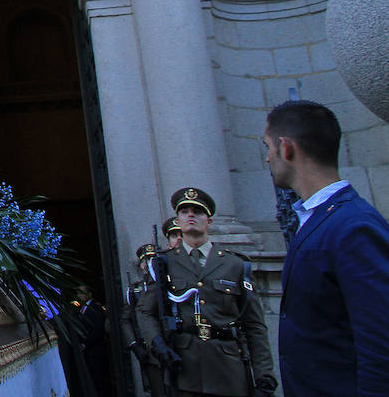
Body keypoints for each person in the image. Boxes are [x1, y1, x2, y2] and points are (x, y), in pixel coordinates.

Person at [264, 100, 389, 394]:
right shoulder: (319, 218)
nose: (267, 159)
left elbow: (381, 339)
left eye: (267, 147)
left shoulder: (353, 226)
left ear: (286, 148)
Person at [138, 187, 277, 396]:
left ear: (209, 221)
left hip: (228, 369)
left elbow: (254, 325)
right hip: (184, 370)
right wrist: (157, 343)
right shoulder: (164, 263)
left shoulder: (234, 264)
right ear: (178, 219)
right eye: (185, 211)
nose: (191, 215)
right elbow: (146, 311)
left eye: (197, 211)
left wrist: (264, 376)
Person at [125, 244, 168, 395]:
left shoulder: (168, 282)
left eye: (153, 259)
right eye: (147, 260)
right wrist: (134, 344)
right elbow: (126, 320)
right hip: (151, 350)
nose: (150, 263)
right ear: (142, 265)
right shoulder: (135, 289)